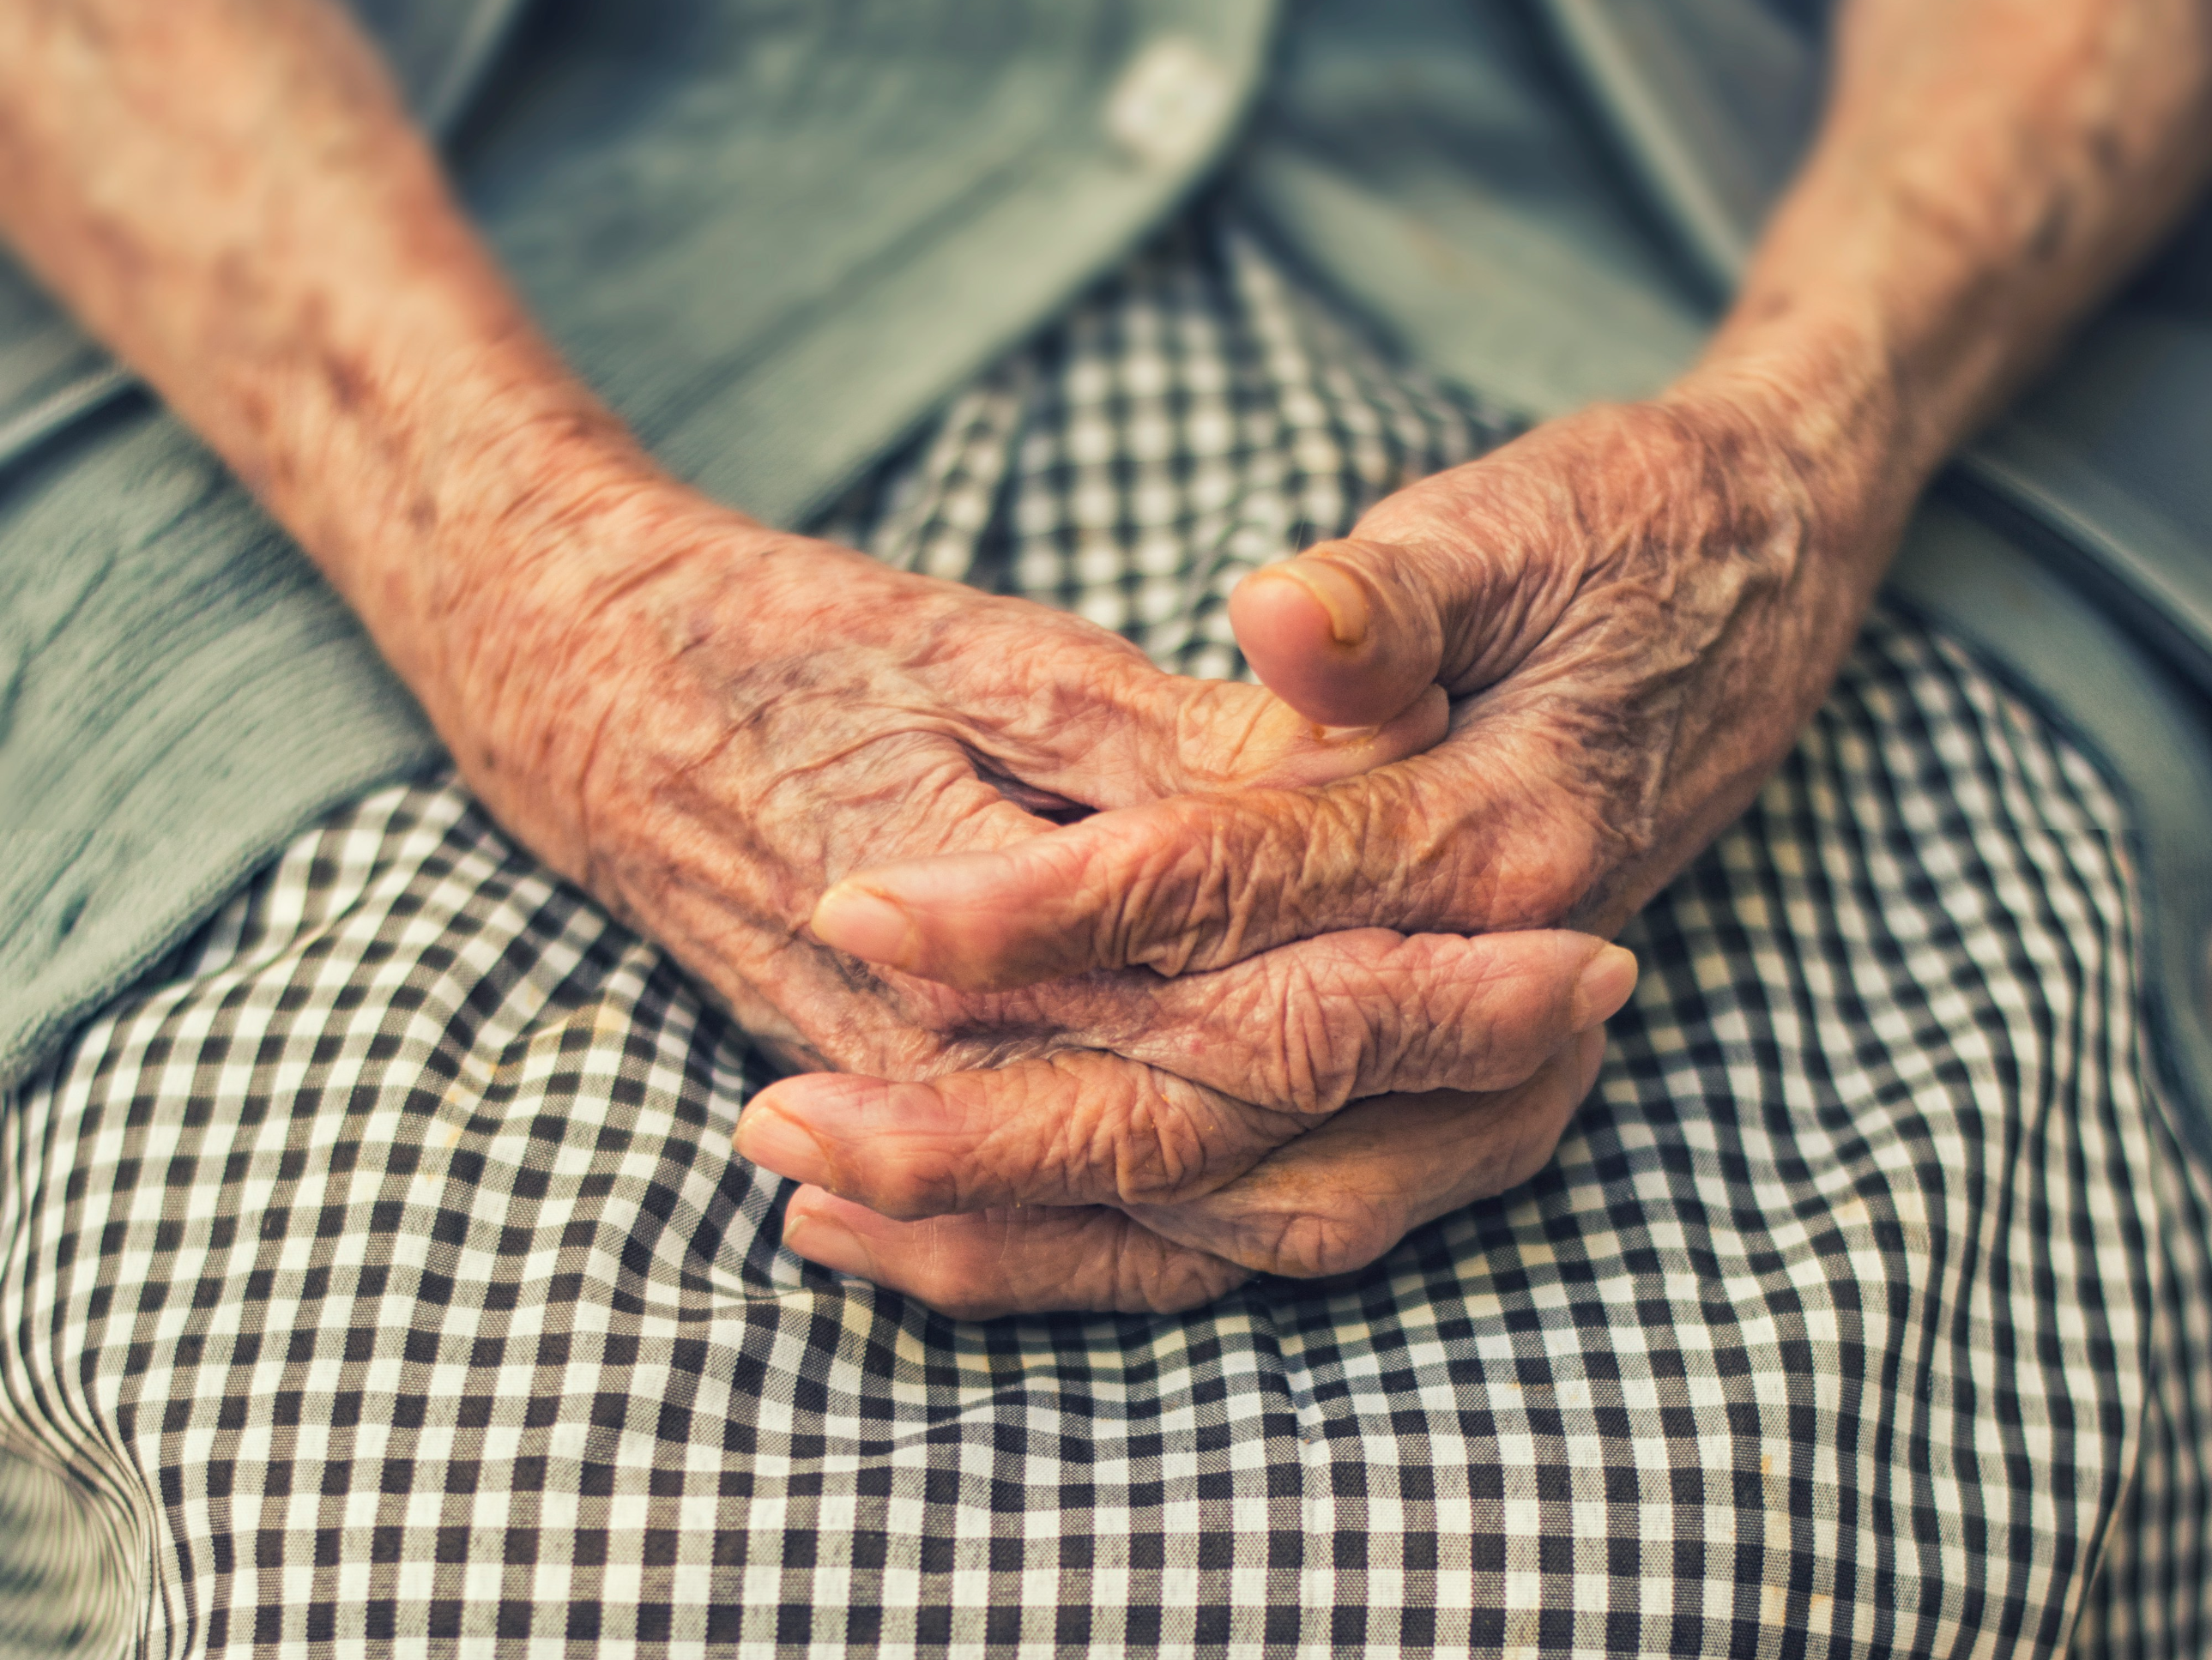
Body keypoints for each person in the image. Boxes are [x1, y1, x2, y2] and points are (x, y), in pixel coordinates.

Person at [0, 0, 2205, 1650]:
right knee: (449, 1550)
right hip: (391, 378)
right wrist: (530, 584)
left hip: (1780, 335)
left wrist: (1802, 458)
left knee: (1731, 1544)